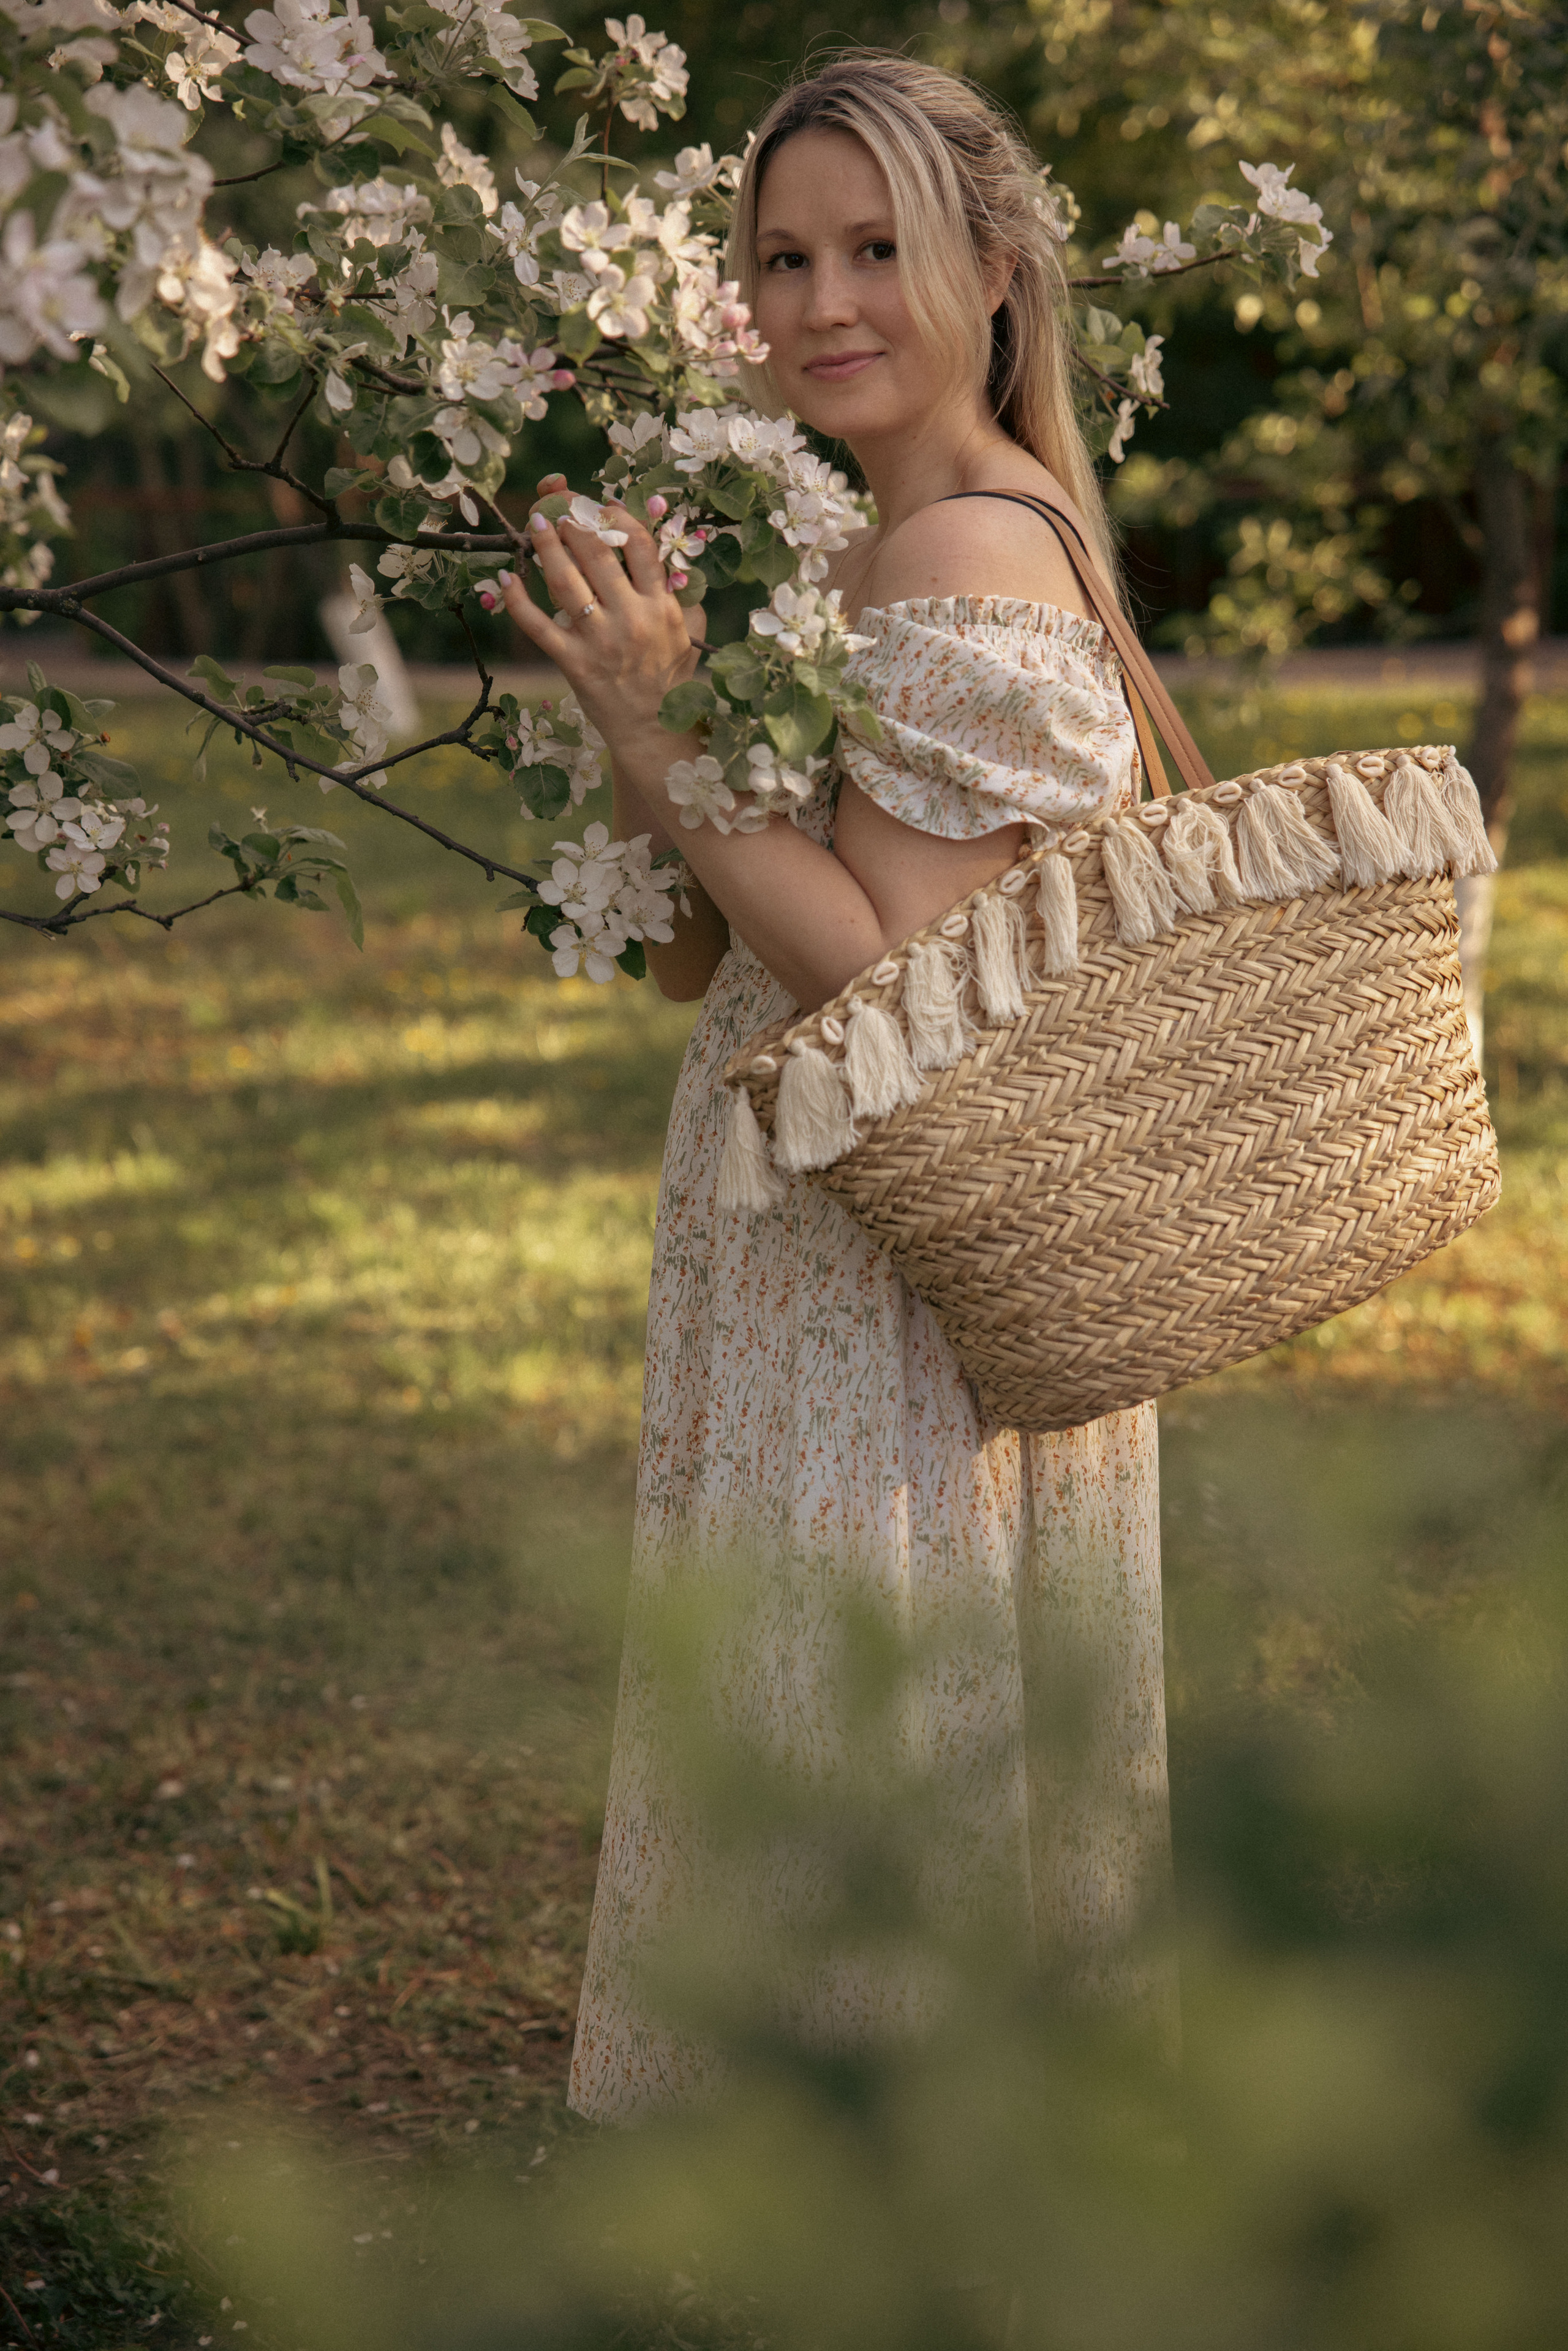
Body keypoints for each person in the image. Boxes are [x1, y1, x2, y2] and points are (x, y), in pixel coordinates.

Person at [500, 52, 1172, 2125]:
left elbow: (890, 995)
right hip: (818, 1245)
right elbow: (709, 944)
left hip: (886, 1270)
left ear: (992, 270)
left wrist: (673, 735)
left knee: (875, 1755)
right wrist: (657, 720)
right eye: (780, 258)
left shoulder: (957, 549)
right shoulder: (869, 541)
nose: (820, 302)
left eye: (876, 248)